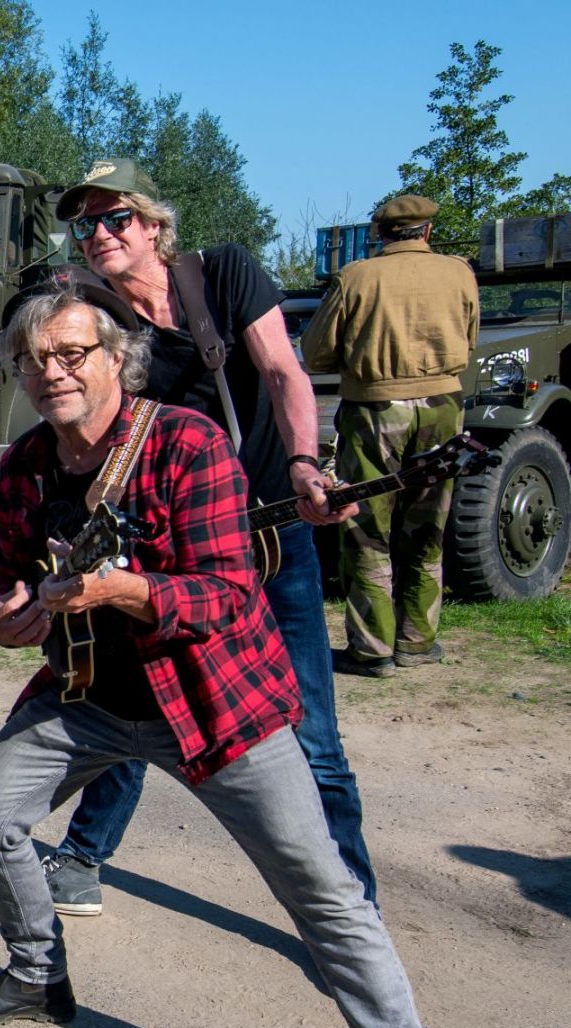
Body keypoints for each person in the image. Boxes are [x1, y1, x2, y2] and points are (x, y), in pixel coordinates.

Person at [0, 284, 476, 1028]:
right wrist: (8, 617)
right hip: (87, 695)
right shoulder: (25, 465)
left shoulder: (186, 442)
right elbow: (9, 584)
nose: (52, 372)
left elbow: (229, 592)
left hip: (214, 702)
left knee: (323, 893)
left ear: (118, 360)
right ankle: (37, 972)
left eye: (73, 353)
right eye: (35, 359)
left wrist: (124, 593)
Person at [44, 157, 377, 913]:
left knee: (314, 736)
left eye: (115, 217)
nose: (97, 233)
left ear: (154, 226)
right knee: (134, 705)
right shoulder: (92, 320)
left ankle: (353, 905)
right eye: (85, 223)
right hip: (173, 549)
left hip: (270, 533)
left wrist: (301, 464)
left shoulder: (223, 274)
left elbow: (286, 374)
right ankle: (86, 855)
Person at [302, 194, 480, 677]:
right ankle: (417, 641)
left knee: (366, 528)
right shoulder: (459, 272)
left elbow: (316, 352)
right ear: (426, 232)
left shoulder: (356, 277)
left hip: (374, 409)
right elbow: (469, 339)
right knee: (427, 527)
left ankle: (373, 648)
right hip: (444, 408)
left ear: (380, 234)